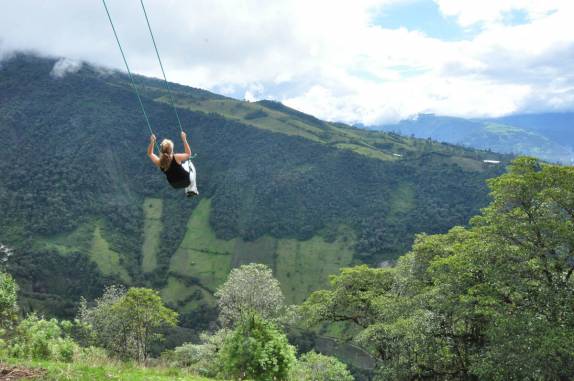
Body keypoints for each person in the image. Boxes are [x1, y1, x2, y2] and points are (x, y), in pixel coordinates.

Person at [147, 131, 198, 198]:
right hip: (186, 181)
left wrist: (152, 142)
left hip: (174, 184)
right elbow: (188, 154)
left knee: (183, 165)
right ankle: (192, 189)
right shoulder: (176, 157)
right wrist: (184, 139)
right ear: (171, 150)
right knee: (190, 164)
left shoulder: (160, 162)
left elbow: (150, 154)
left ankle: (189, 189)